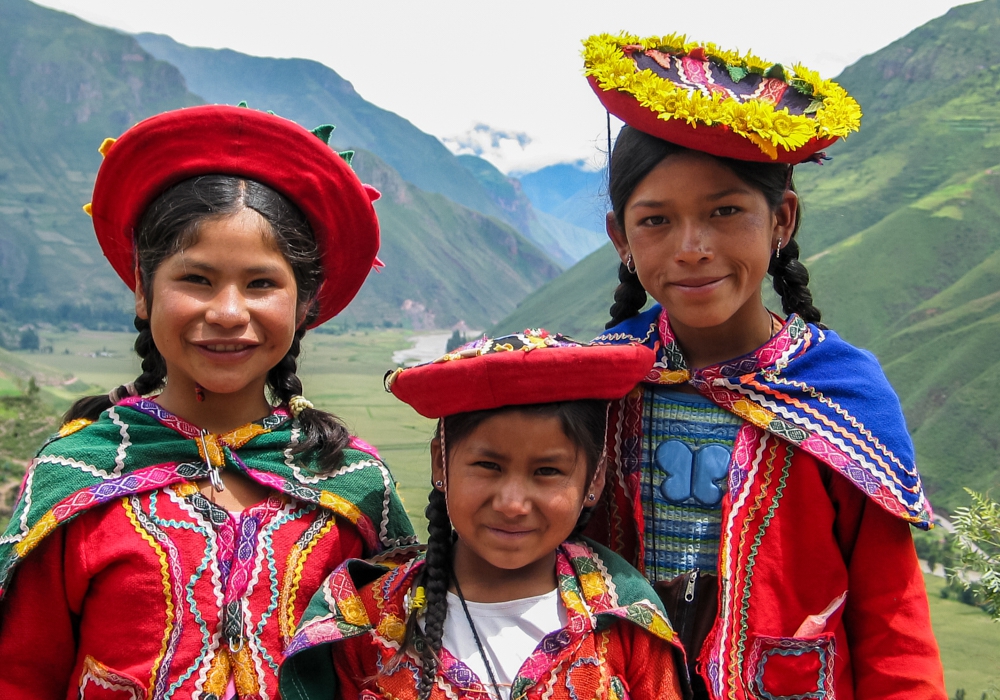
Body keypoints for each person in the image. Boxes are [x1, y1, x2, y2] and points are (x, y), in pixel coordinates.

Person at [0, 104, 416, 698]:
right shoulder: (74, 476)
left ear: (305, 306)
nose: (226, 313)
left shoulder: (352, 483)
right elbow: (18, 674)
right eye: (195, 280)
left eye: (261, 284)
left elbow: (386, 670)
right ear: (143, 290)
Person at [579, 32, 947, 699]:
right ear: (621, 239)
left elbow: (892, 619)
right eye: (656, 221)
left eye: (725, 212)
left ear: (781, 220)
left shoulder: (842, 394)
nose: (692, 248)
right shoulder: (599, 384)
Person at [279, 331, 686, 700]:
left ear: (593, 478)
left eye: (547, 472)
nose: (512, 503)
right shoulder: (369, 618)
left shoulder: (624, 620)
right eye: (488, 466)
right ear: (441, 464)